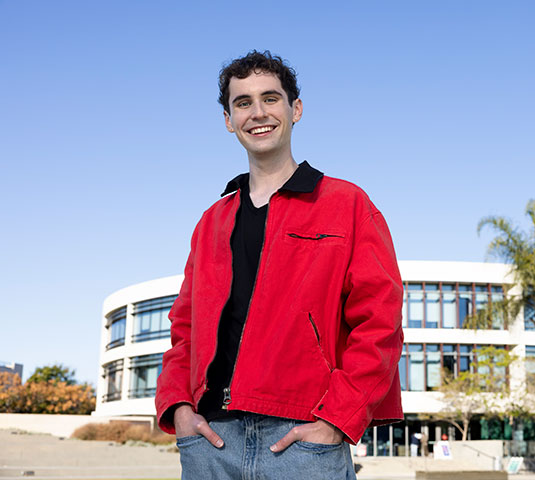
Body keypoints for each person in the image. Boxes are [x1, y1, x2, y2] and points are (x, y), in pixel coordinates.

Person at [154, 50, 404, 480]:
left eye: (270, 98)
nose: (258, 113)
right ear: (229, 120)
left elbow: (379, 322)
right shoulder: (212, 222)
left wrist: (335, 420)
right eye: (243, 103)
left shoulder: (348, 205)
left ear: (296, 109)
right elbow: (185, 328)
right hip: (210, 441)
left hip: (304, 443)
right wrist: (177, 407)